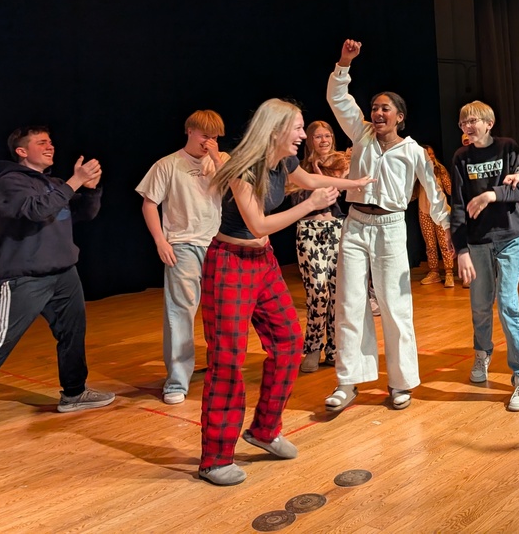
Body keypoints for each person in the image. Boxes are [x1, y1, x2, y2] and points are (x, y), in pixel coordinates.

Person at [198, 98, 368, 486]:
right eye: (297, 128)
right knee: (228, 359)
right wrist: (309, 205)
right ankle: (215, 458)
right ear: (275, 131)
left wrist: (353, 184)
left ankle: (264, 430)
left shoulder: (284, 162)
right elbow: (258, 224)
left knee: (290, 342)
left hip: (263, 263)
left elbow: (312, 180)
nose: (302, 135)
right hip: (230, 263)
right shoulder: (243, 169)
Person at [0, 126, 112, 451]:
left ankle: (74, 393)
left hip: (64, 274)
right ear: (22, 151)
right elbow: (37, 211)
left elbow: (83, 213)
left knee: (73, 333)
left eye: (51, 141)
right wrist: (75, 181)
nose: (50, 146)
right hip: (24, 277)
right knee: (0, 342)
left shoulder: (53, 184)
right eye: (41, 142)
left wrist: (90, 189)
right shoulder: (10, 181)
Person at [325, 39, 450, 413]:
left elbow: (434, 191)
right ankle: (348, 382)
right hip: (355, 224)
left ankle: (400, 382)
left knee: (395, 307)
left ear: (399, 116)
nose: (377, 112)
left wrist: (451, 235)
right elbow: (338, 99)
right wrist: (345, 63)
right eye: (375, 107)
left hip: (392, 227)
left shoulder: (413, 151)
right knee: (349, 303)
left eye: (385, 108)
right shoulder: (360, 135)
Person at [136, 109, 229, 405]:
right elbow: (150, 204)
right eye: (205, 135)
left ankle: (221, 370)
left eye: (214, 137)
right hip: (182, 243)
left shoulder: (222, 162)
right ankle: (177, 380)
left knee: (222, 312)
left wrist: (216, 159)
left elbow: (236, 191)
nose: (209, 142)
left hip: (218, 243)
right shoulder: (168, 164)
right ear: (189, 131)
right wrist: (161, 241)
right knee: (180, 313)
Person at [451, 101, 519, 411]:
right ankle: (482, 354)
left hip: (510, 237)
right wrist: (460, 249)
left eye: (474, 121)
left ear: (489, 123)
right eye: (463, 123)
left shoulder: (508, 148)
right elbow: (458, 205)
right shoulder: (461, 158)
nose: (468, 127)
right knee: (480, 305)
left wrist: (491, 195)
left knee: (508, 304)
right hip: (476, 242)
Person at [290, 121, 350, 373]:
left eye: (327, 136)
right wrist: (319, 178)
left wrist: (337, 177)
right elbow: (298, 198)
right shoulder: (299, 167)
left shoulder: (341, 165)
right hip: (309, 232)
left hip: (336, 229)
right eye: (317, 136)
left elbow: (340, 195)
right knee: (317, 291)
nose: (323, 140)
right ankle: (313, 347)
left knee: (337, 294)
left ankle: (334, 348)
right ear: (309, 141)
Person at [418, 145, 457, 288]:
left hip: (441, 211)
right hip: (424, 211)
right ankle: (434, 272)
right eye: (428, 154)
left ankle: (449, 273)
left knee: (445, 243)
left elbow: (450, 189)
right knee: (430, 244)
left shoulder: (440, 170)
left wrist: (442, 172)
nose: (431, 156)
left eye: (432, 154)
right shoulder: (419, 171)